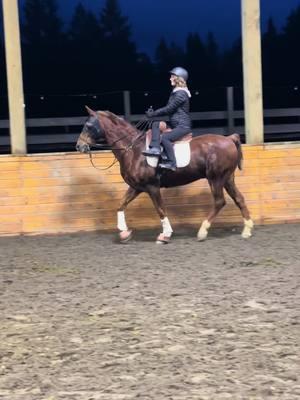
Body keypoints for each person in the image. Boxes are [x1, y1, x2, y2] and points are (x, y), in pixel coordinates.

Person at [142, 66, 192, 171]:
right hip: (175, 124)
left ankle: (172, 163)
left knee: (165, 138)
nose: (170, 78)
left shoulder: (181, 94)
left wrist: (153, 114)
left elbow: (169, 109)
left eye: (172, 76)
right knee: (156, 124)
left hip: (182, 126)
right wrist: (154, 115)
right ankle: (155, 148)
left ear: (178, 78)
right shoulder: (176, 92)